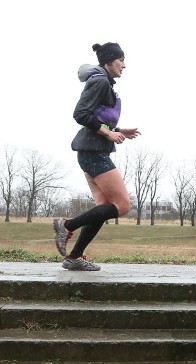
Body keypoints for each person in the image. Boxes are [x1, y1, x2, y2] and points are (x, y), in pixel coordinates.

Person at [52, 42, 140, 271]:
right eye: (121, 60)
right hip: (94, 152)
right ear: (109, 61)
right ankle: (66, 225)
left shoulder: (103, 81)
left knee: (102, 209)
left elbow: (97, 117)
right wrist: (108, 133)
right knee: (121, 205)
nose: (124, 65)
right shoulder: (100, 80)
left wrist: (118, 130)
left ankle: (74, 257)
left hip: (90, 151)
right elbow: (80, 114)